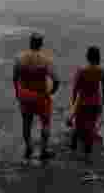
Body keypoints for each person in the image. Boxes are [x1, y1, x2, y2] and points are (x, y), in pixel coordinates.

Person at [13, 32, 60, 160]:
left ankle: (29, 147)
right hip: (41, 96)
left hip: (26, 95)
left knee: (26, 123)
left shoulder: (20, 58)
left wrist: (17, 92)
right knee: (45, 123)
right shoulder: (46, 60)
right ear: (41, 44)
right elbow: (56, 80)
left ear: (30, 43)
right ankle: (43, 151)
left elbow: (15, 78)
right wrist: (51, 92)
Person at [68, 45, 104, 156]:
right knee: (91, 127)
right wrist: (103, 101)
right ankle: (87, 152)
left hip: (82, 101)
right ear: (98, 57)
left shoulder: (82, 70)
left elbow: (75, 88)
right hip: (95, 101)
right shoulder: (101, 71)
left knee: (78, 125)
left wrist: (73, 103)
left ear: (87, 56)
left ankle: (73, 148)